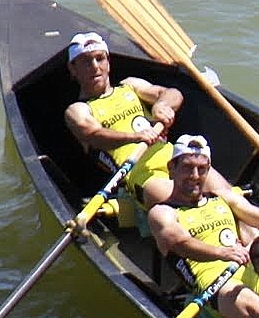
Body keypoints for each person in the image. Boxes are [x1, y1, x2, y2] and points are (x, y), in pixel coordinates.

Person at [143, 134, 259, 318]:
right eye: (187, 167)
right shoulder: (162, 212)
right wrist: (223, 253)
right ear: (171, 169)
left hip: (251, 272)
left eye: (201, 169)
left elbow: (253, 213)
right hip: (217, 287)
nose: (194, 175)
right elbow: (181, 243)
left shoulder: (221, 197)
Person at [62, 31, 202, 210]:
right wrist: (135, 137)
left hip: (175, 156)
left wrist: (161, 106)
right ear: (73, 69)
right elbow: (94, 135)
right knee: (187, 208)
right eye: (86, 61)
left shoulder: (130, 85)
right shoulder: (78, 110)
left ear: (108, 62)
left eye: (100, 58)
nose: (95, 67)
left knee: (229, 197)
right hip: (137, 173)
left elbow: (172, 94)